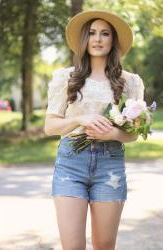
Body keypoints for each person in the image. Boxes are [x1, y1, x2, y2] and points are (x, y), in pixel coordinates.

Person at [44, 9, 144, 250]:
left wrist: (112, 134)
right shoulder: (65, 78)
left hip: (110, 164)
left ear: (113, 40)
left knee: (104, 246)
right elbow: (50, 126)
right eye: (91, 33)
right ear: (84, 39)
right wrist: (82, 119)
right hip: (70, 163)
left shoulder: (130, 82)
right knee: (73, 246)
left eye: (105, 33)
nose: (97, 39)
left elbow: (133, 133)